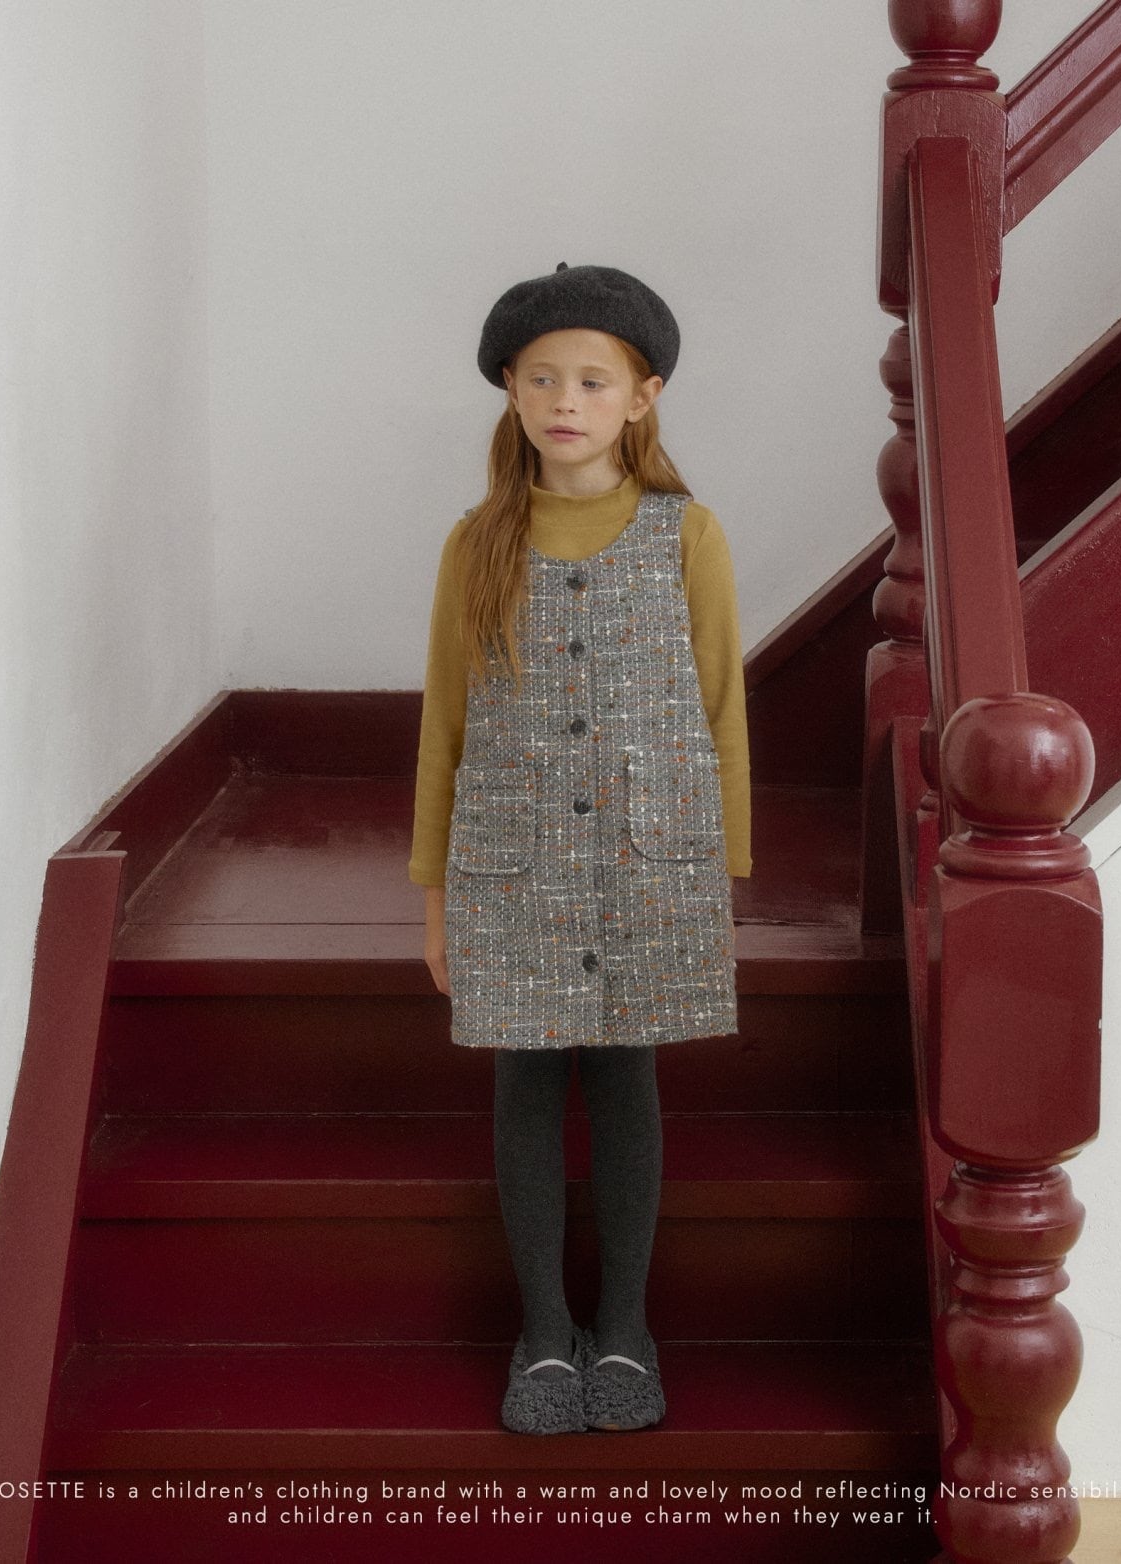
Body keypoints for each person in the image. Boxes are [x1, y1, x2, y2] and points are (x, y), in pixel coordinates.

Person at [408, 262, 751, 1435]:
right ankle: (544, 1332)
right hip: (508, 864)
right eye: (542, 378)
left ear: (641, 397)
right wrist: (434, 900)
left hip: (650, 862)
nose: (565, 401)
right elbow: (444, 727)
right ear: (509, 389)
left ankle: (626, 1328)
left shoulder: (686, 533)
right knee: (523, 1078)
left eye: (593, 381)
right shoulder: (476, 543)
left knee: (622, 1077)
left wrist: (719, 881)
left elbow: (720, 709)